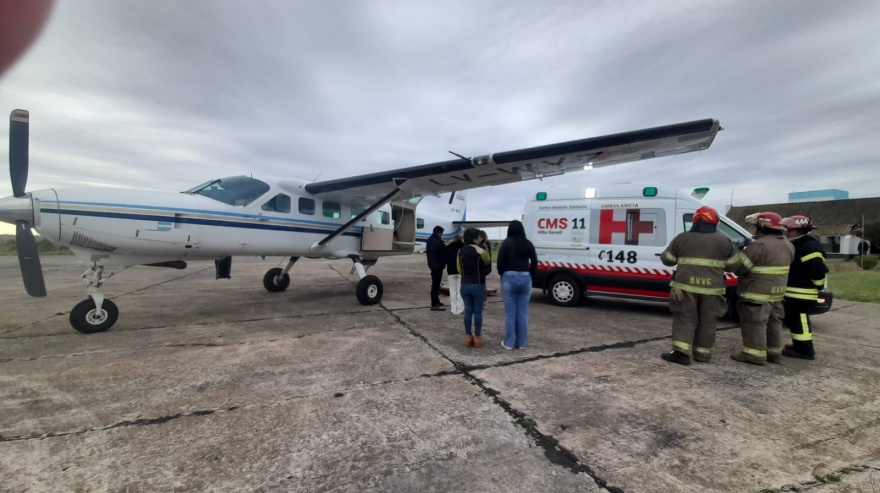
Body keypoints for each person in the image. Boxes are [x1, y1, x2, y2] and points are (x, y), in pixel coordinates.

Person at [659, 206, 739, 365]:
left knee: (685, 319)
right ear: (715, 222)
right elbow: (733, 266)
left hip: (684, 288)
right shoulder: (725, 240)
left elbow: (667, 259)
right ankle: (703, 354)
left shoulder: (682, 238)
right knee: (708, 321)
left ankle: (681, 354)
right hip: (713, 290)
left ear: (695, 220)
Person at [731, 212, 795, 365]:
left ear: (761, 227)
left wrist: (737, 255)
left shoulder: (759, 245)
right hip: (777, 294)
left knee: (755, 323)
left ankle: (754, 354)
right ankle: (774, 354)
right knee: (774, 323)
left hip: (757, 293)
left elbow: (739, 268)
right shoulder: (788, 245)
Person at [780, 215, 828, 360]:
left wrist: (819, 285)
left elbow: (817, 268)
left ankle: (805, 350)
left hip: (801, 293)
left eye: (786, 230)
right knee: (794, 321)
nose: (784, 233)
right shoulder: (797, 243)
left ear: (796, 230)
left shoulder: (809, 245)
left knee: (800, 321)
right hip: (793, 292)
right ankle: (799, 345)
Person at [496, 220, 538, 350]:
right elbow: (535, 262)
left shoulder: (507, 242)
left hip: (509, 277)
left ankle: (509, 342)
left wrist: (503, 274)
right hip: (525, 278)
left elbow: (500, 262)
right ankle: (522, 343)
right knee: (523, 313)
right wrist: (529, 274)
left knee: (510, 313)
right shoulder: (528, 243)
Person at [457, 228, 491, 347]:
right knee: (478, 312)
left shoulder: (460, 251)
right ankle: (477, 337)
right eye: (479, 237)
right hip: (478, 284)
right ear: (475, 239)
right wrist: (485, 249)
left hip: (464, 284)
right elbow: (487, 262)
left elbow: (459, 269)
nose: (481, 239)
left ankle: (468, 337)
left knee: (468, 311)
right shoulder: (481, 251)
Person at [426, 225, 447, 311]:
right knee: (435, 285)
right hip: (438, 266)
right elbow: (444, 251)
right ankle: (434, 304)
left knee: (435, 284)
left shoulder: (430, 240)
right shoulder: (438, 241)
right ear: (439, 233)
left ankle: (437, 301)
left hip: (432, 264)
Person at [445, 233, 465, 315]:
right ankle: (460, 309)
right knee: (460, 291)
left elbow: (445, 258)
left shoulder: (448, 247)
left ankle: (453, 309)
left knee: (452, 290)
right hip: (460, 271)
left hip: (451, 271)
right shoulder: (464, 247)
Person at [477, 230, 493, 309]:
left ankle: (482, 300)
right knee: (483, 283)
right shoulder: (488, 244)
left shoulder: (482, 245)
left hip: (481, 267)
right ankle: (483, 301)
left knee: (480, 284)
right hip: (485, 267)